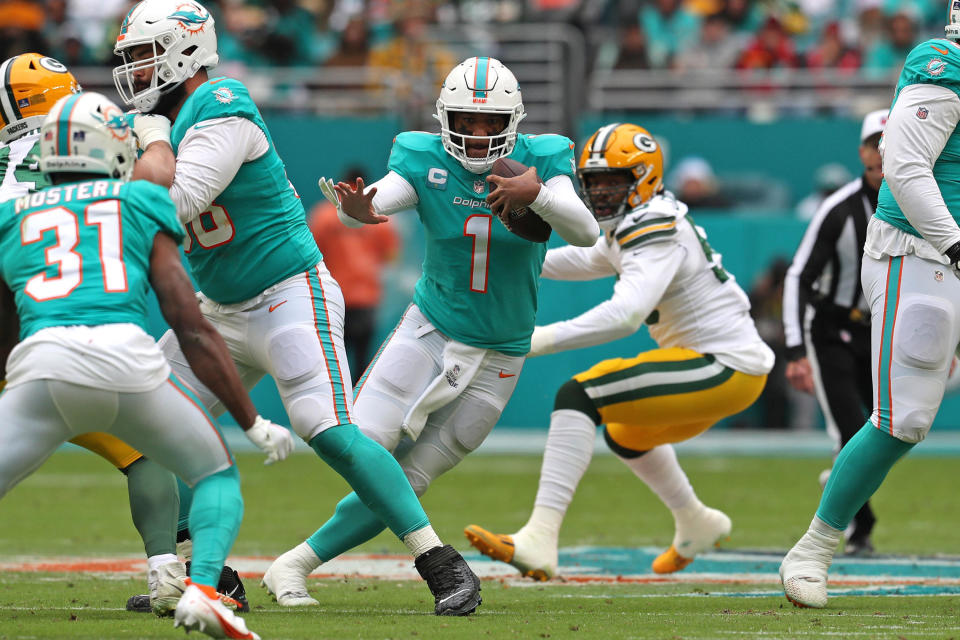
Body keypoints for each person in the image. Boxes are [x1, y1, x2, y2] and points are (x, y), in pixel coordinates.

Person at [112, 0, 480, 616]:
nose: (135, 74)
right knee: (146, 425)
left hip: (288, 293)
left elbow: (177, 203)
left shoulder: (222, 105)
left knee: (327, 430)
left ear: (184, 52)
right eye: (130, 61)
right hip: (219, 308)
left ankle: (441, 563)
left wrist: (144, 148)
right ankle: (206, 573)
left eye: (145, 58)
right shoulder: (154, 126)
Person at [263, 55, 600, 603]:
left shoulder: (543, 159)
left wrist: (535, 194)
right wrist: (359, 210)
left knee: (411, 480)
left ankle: (293, 565)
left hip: (501, 354)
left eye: (490, 122)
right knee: (366, 448)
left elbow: (584, 232)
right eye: (467, 119)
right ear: (446, 117)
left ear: (512, 122)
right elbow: (379, 200)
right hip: (431, 331)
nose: (477, 132)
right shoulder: (422, 157)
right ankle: (413, 560)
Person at [0, 90, 294, 640]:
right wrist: (251, 419)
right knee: (216, 476)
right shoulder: (140, 203)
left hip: (44, 369)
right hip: (129, 368)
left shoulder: (10, 213)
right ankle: (201, 590)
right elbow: (190, 323)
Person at [464, 122, 775, 580]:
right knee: (627, 432)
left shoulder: (654, 225)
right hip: (715, 367)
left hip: (723, 366)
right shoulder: (637, 220)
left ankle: (540, 538)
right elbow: (587, 259)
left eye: (614, 181)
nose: (602, 192)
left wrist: (538, 339)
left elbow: (625, 315)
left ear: (644, 178)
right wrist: (514, 262)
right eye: (593, 183)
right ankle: (696, 521)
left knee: (579, 395)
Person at [0, 51, 195, 616]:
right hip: (75, 327)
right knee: (142, 449)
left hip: (16, 319)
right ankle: (167, 573)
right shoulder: (102, 144)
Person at [780, 6, 960, 608]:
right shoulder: (942, 65)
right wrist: (957, 244)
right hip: (922, 251)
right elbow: (904, 170)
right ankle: (814, 549)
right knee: (903, 418)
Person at [782, 110, 886, 556]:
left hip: (881, 331)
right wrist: (794, 349)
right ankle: (859, 524)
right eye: (877, 143)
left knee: (889, 428)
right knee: (848, 429)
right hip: (831, 330)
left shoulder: (925, 200)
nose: (885, 151)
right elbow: (799, 276)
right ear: (862, 151)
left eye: (895, 139)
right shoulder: (839, 209)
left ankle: (841, 485)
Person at [308, 166, 400, 382]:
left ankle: (333, 412)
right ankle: (357, 412)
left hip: (332, 297)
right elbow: (391, 256)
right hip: (365, 298)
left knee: (330, 365)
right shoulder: (378, 218)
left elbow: (312, 254)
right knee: (361, 365)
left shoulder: (322, 215)